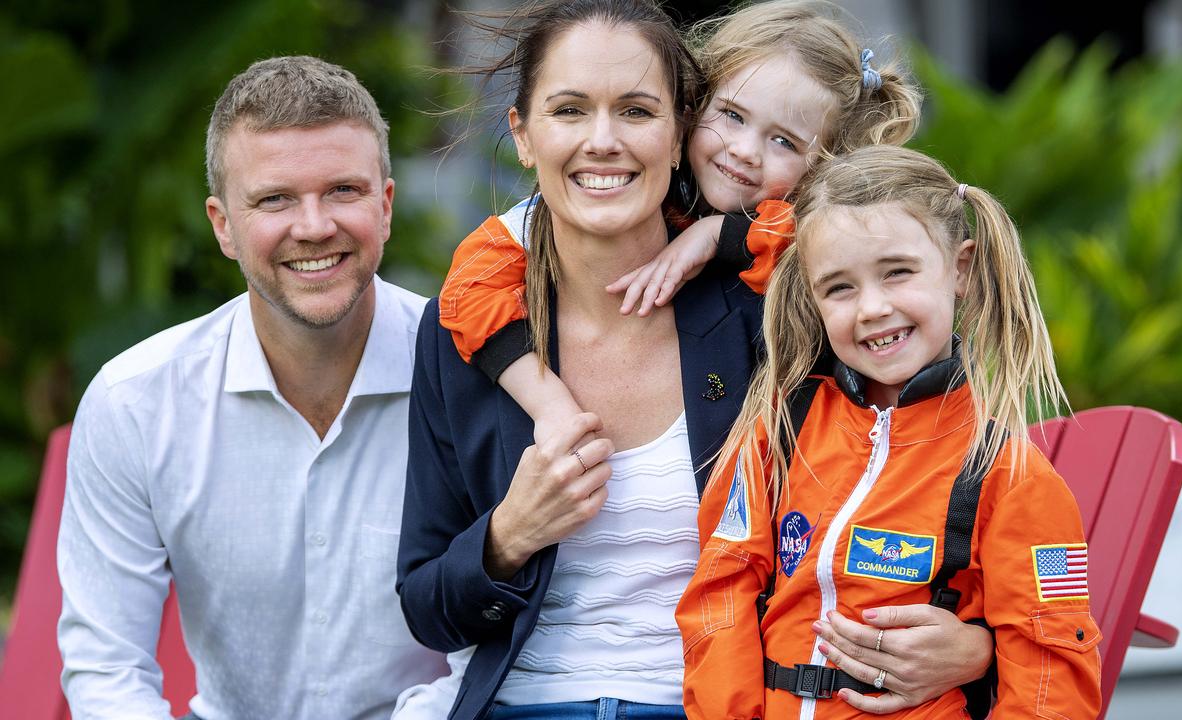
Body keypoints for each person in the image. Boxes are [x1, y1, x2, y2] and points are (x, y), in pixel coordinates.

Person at [396, 3, 994, 719]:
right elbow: (429, 608)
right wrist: (509, 535)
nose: (604, 141)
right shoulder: (467, 327)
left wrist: (977, 644)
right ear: (523, 135)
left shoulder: (776, 315)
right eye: (569, 111)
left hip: (717, 700)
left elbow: (923, 473)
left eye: (637, 111)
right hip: (524, 701)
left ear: (678, 131)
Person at [56, 56, 449, 720]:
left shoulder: (469, 373)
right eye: (275, 199)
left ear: (385, 207)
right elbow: (107, 667)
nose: (314, 225)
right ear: (222, 225)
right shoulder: (135, 403)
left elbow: (498, 650)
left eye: (343, 191)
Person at [676, 145, 1104, 719]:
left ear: (961, 269)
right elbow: (719, 592)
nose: (872, 308)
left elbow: (1051, 670)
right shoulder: (777, 434)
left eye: (897, 272)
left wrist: (982, 652)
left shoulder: (1011, 475)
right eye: (840, 287)